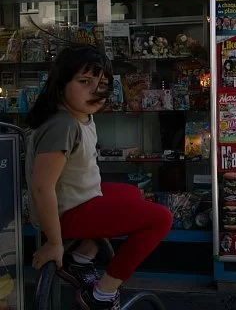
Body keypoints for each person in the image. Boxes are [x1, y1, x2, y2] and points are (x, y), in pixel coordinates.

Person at [25, 44, 172, 310]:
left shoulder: (80, 116)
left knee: (132, 194)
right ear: (61, 83)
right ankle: (103, 293)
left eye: (102, 84)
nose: (95, 90)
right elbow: (41, 187)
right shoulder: (64, 125)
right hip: (64, 214)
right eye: (84, 82)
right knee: (160, 218)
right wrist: (55, 243)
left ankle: (82, 257)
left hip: (76, 200)